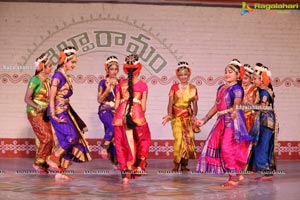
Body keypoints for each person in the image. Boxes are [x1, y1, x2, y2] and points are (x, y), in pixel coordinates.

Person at [195, 60, 250, 187]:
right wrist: (204, 120)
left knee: (227, 147)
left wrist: (235, 111)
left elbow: (237, 102)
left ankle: (233, 177)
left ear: (238, 75)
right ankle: (237, 173)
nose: (226, 74)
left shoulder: (237, 88)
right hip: (221, 121)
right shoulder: (221, 88)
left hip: (232, 121)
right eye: (225, 72)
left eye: (230, 72)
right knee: (222, 148)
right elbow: (216, 105)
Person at [47, 46, 92, 180]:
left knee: (74, 140)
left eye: (75, 62)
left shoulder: (65, 76)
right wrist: (54, 115)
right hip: (57, 113)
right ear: (65, 60)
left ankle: (61, 172)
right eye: (72, 62)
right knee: (72, 137)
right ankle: (54, 157)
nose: (74, 65)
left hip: (65, 112)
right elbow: (51, 97)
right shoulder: (57, 76)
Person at [112, 54, 151, 185]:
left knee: (121, 144)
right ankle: (139, 166)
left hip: (120, 117)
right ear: (139, 68)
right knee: (144, 139)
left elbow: (116, 105)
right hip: (137, 116)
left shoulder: (120, 84)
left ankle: (124, 175)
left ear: (125, 69)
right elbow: (144, 108)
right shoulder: (143, 85)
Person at [162, 61, 199, 172]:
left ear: (189, 75)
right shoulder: (174, 87)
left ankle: (184, 164)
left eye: (185, 74)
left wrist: (194, 116)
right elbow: (170, 103)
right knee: (178, 140)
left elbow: (195, 105)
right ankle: (176, 164)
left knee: (188, 140)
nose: (183, 77)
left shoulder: (193, 88)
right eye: (181, 74)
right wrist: (169, 115)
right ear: (178, 75)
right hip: (176, 117)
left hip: (187, 117)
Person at [247, 63, 279, 181]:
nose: (252, 80)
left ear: (261, 80)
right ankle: (265, 171)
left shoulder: (263, 92)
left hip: (266, 121)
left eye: (254, 78)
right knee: (262, 145)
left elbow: (262, 107)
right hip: (266, 121)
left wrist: (250, 104)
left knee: (262, 146)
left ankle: (267, 172)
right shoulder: (262, 90)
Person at [24, 53, 54, 174]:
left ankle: (44, 163)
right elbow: (27, 99)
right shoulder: (34, 80)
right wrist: (38, 107)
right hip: (34, 112)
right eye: (49, 66)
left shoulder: (48, 80)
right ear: (41, 67)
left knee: (50, 139)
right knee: (46, 138)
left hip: (45, 113)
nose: (51, 68)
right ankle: (38, 163)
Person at [97, 56, 119, 168]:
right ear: (107, 70)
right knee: (112, 127)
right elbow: (99, 100)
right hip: (105, 110)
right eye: (112, 69)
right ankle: (103, 147)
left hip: (116, 111)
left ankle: (115, 161)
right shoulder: (102, 82)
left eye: (116, 69)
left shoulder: (120, 83)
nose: (114, 71)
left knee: (115, 136)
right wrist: (107, 89)